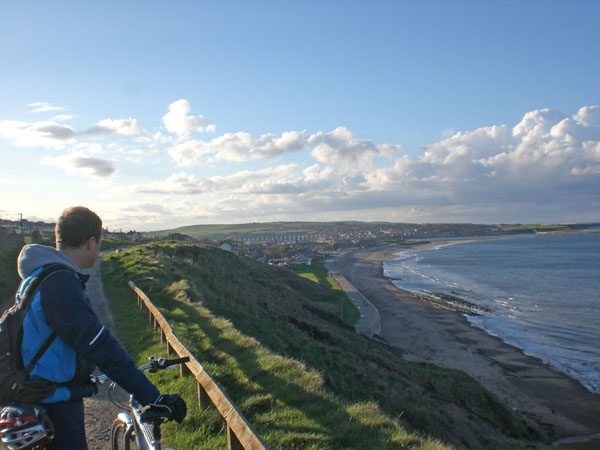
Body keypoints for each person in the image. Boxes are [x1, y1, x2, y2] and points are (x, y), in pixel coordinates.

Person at [16, 206, 186, 449]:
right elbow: (101, 347)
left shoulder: (42, 275)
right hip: (53, 404)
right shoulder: (61, 285)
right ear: (91, 242)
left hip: (38, 396)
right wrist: (153, 396)